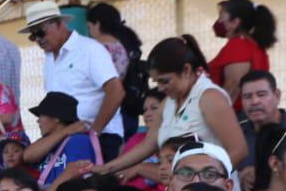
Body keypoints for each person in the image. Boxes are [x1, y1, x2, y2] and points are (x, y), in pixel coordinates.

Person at [97, 36, 248, 181]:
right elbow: (148, 144)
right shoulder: (168, 103)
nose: (161, 88)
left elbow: (238, 150)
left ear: (187, 70)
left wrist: (205, 180)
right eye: (157, 82)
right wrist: (108, 167)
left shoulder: (210, 97)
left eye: (165, 81)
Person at [24, 0, 125, 159]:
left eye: (40, 33)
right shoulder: (49, 58)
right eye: (33, 36)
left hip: (101, 136)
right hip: (66, 137)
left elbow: (116, 91)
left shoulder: (89, 50)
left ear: (57, 24)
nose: (38, 39)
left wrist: (95, 132)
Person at [237, 73, 286, 188]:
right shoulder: (236, 134)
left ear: (277, 96)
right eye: (247, 97)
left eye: (261, 94)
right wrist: (240, 176)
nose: (254, 101)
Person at [207, 0, 277, 99]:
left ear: (235, 22)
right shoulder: (253, 45)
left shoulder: (239, 45)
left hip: (237, 113)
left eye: (222, 17)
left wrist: (217, 112)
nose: (219, 21)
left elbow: (232, 86)